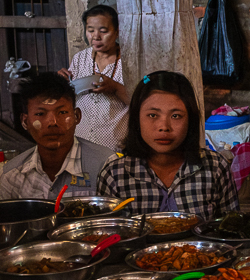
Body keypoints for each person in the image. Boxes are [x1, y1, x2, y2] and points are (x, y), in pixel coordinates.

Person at [96, 71, 238, 217]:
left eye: (176, 116)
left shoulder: (215, 167)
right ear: (137, 119)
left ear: (191, 120)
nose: (164, 126)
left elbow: (230, 233)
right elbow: (108, 234)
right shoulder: (115, 174)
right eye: (153, 115)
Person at [0, 72, 113, 200]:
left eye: (62, 112)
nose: (52, 122)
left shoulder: (107, 166)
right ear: (25, 122)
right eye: (40, 114)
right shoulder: (12, 175)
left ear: (77, 116)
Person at [57, 5, 129, 151]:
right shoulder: (79, 59)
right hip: (80, 143)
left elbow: (142, 102)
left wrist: (115, 88)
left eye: (103, 31)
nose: (96, 36)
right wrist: (60, 84)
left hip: (116, 145)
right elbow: (68, 98)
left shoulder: (130, 61)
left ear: (117, 32)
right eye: (90, 30)